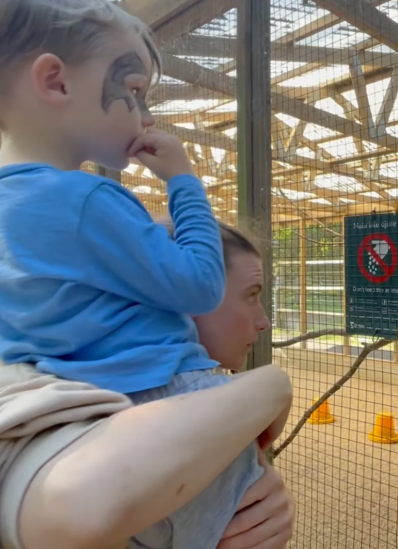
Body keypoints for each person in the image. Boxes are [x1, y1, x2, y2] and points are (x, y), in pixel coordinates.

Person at [0, 0, 291, 548]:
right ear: (55, 82)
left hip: (80, 416)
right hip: (167, 393)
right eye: (133, 90)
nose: (144, 115)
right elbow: (202, 284)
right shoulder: (87, 198)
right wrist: (184, 182)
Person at [0, 220, 295, 549]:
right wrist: (273, 385)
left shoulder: (58, 383)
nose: (263, 320)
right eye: (251, 296)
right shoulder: (206, 419)